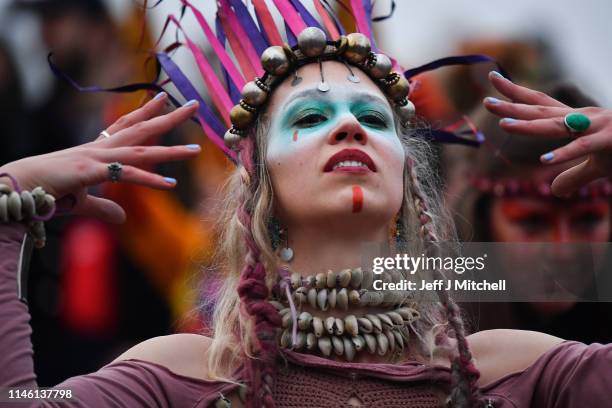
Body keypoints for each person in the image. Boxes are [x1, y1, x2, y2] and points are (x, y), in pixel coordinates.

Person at [2, 2, 612, 407]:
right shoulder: (190, 375)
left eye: (373, 117)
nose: (349, 127)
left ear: (411, 173)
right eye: (312, 117)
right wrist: (5, 201)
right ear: (258, 181)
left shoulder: (512, 368)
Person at [444, 83, 612, 343]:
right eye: (532, 222)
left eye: (588, 219)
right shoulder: (425, 338)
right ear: (480, 218)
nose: (563, 251)